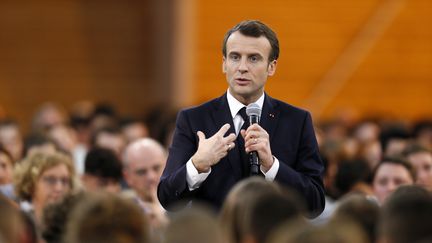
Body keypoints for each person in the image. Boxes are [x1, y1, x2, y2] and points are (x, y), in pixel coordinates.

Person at [158, 20, 325, 216]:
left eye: (254, 58)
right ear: (224, 64)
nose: (242, 67)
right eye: (235, 57)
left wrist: (272, 166)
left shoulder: (297, 121)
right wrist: (197, 164)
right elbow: (167, 198)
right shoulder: (193, 119)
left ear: (271, 67)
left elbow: (315, 204)